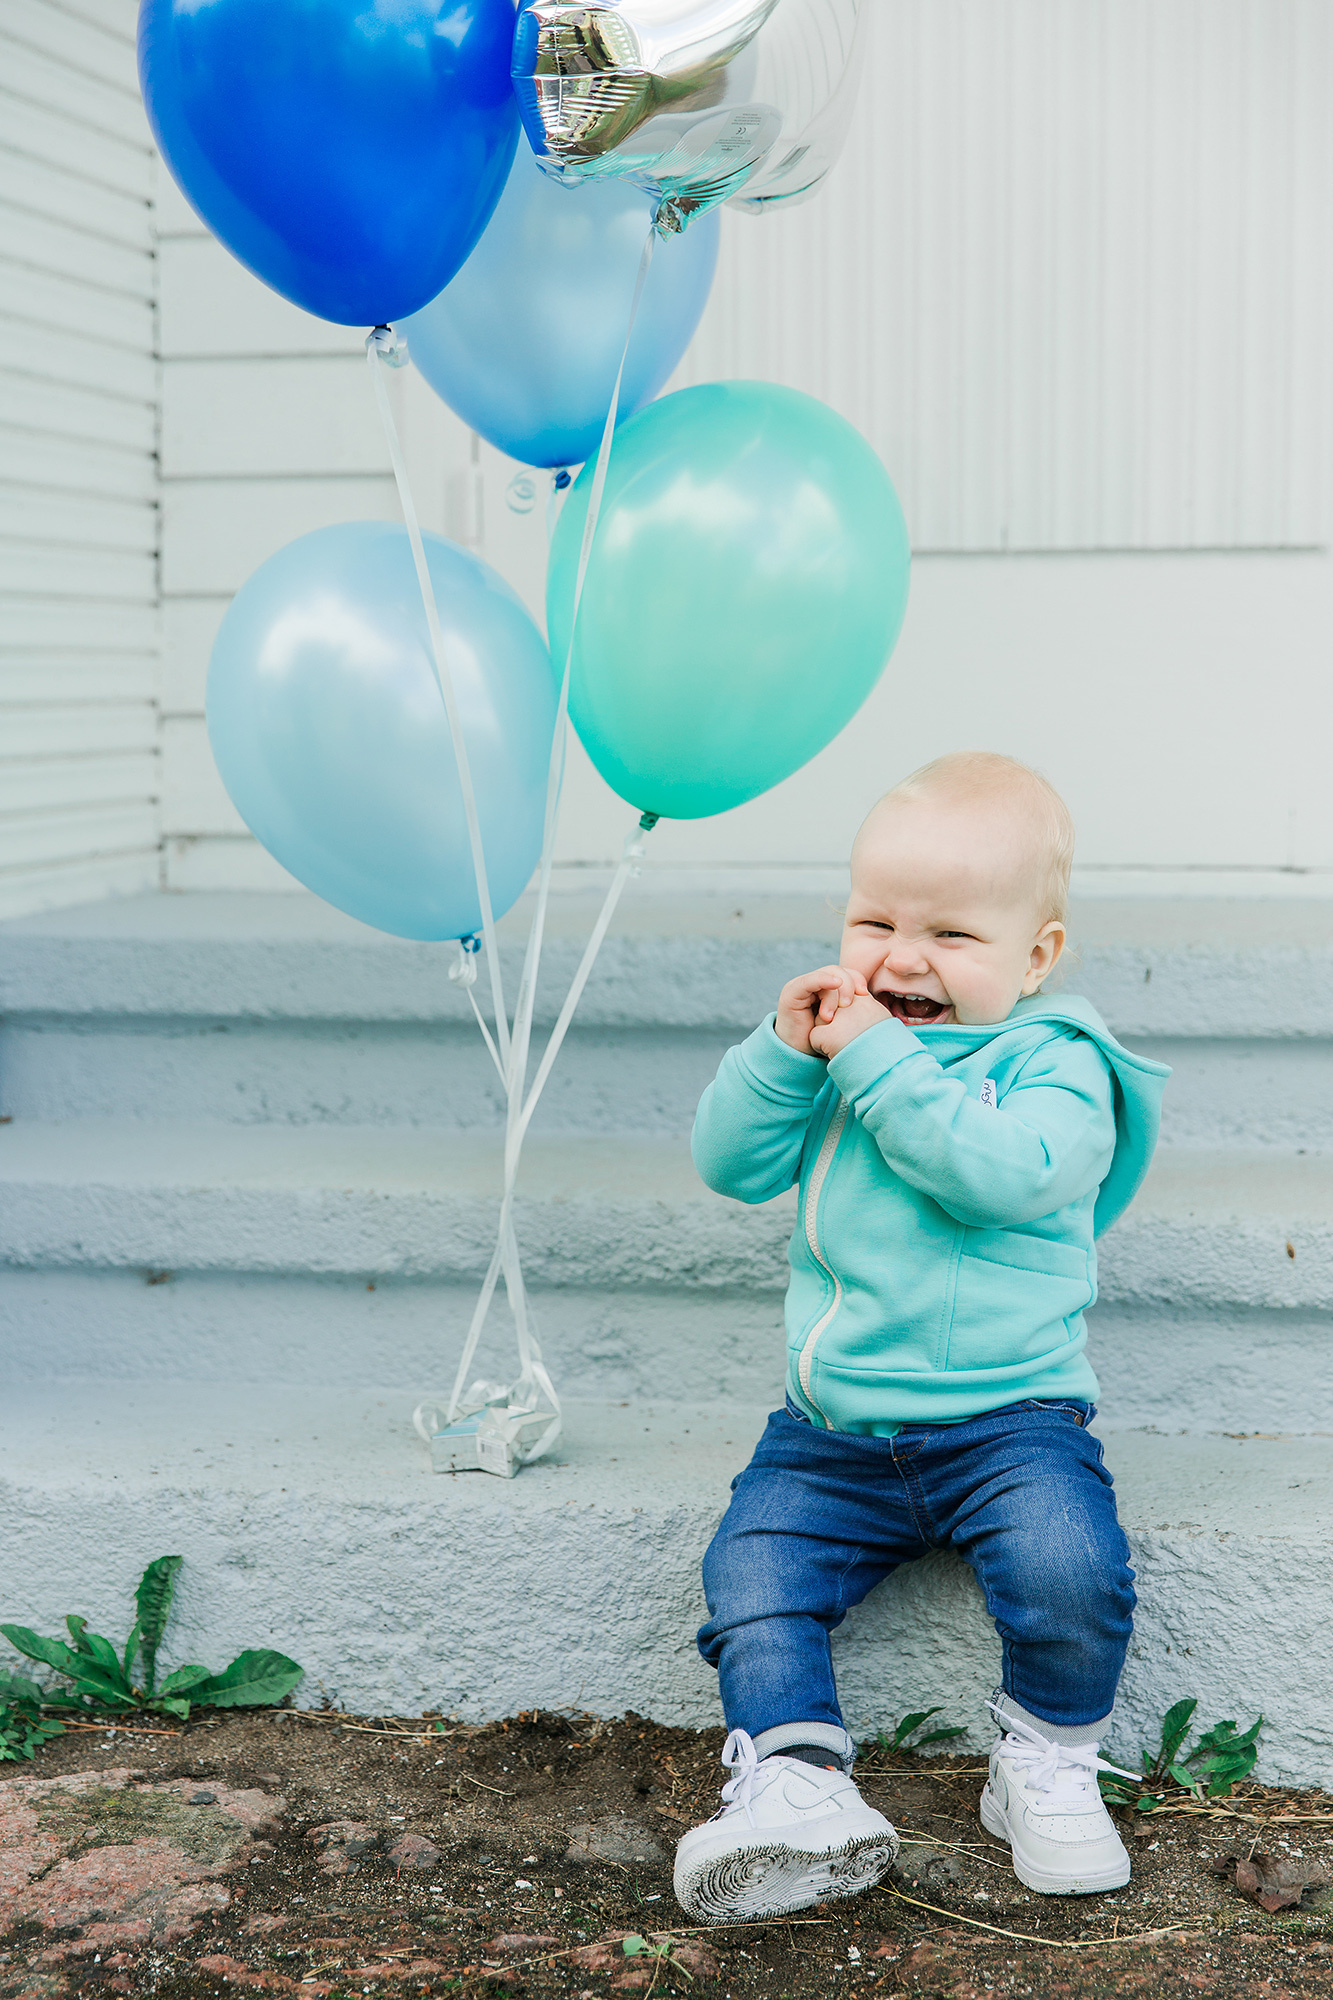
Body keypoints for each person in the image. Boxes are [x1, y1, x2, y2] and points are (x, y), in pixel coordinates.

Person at [673, 751, 1170, 1923]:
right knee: (751, 1569)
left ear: (1035, 956)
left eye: (950, 933)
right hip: (833, 1424)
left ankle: (1045, 1757)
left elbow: (993, 1176)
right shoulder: (839, 1055)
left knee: (1068, 1565)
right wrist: (778, 1055)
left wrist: (873, 1060)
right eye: (874, 920)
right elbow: (728, 1164)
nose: (900, 957)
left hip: (1010, 1420)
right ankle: (795, 1781)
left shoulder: (1055, 1065)